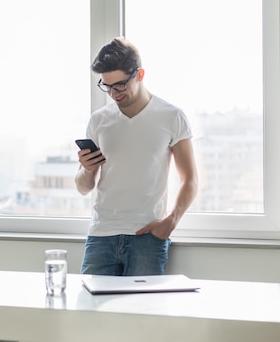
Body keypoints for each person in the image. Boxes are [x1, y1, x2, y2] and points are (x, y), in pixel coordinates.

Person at [75, 37, 198, 276]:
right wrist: (88, 169)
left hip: (148, 237)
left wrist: (170, 222)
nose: (113, 93)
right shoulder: (99, 120)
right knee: (88, 311)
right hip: (101, 235)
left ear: (139, 75)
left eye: (120, 85)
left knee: (142, 312)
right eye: (106, 85)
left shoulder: (171, 116)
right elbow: (83, 188)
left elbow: (190, 180)